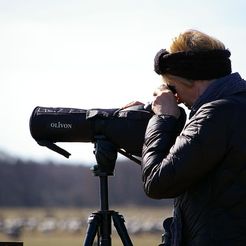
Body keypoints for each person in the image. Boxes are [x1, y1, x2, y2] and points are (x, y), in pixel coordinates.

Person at [141, 29, 246, 245]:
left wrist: (163, 119)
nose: (176, 97)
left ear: (190, 80)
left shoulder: (215, 116)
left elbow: (157, 182)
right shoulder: (236, 107)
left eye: (172, 87)